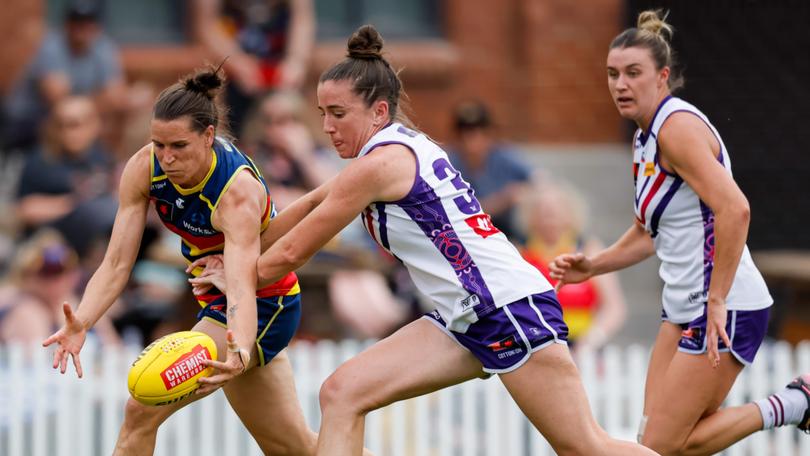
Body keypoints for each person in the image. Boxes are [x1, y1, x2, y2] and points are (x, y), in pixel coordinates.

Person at [191, 24, 657, 456]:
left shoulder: (379, 164)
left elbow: (295, 251)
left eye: (338, 113)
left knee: (585, 447)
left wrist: (237, 277)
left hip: (508, 306)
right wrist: (232, 244)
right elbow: (308, 206)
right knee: (342, 392)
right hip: (463, 317)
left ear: (377, 111)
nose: (328, 126)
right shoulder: (385, 153)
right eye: (322, 114)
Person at [549, 10, 809, 454]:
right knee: (650, 444)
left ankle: (794, 403)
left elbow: (736, 209)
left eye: (633, 73)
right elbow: (647, 232)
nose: (620, 85)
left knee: (667, 447)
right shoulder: (643, 139)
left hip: (725, 310)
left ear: (662, 77)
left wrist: (717, 299)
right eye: (612, 74)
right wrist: (593, 265)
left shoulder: (677, 129)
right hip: (681, 312)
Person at [41, 66, 320, 455]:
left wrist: (239, 349)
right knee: (295, 448)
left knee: (141, 406)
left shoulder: (236, 191)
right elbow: (118, 264)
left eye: (178, 146)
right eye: (158, 144)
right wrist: (83, 320)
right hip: (221, 302)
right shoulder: (145, 167)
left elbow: (240, 284)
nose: (166, 158)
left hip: (263, 304)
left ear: (208, 136)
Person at [519, 177, 627, 351]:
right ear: (530, 216)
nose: (549, 216)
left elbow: (614, 307)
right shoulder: (519, 254)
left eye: (556, 210)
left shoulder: (590, 250)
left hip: (584, 347)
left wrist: (593, 338)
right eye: (542, 210)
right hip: (535, 347)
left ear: (571, 214)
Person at [191, 0, 316, 136]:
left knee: (286, 114)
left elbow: (302, 17)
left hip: (281, 66)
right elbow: (206, 25)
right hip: (233, 78)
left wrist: (295, 60)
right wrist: (238, 63)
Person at [448, 100, 531, 240]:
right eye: (465, 133)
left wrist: (523, 194)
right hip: (467, 235)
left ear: (490, 133)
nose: (472, 139)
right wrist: (502, 200)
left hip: (510, 232)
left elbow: (538, 180)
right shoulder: (449, 162)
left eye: (480, 132)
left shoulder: (505, 156)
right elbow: (456, 211)